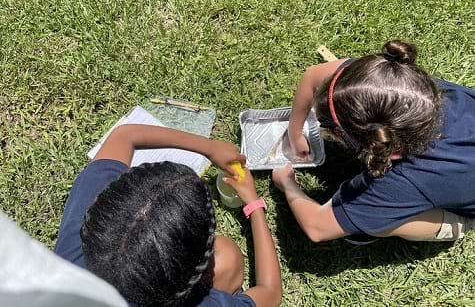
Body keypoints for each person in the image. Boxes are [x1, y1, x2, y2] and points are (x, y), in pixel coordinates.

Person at [54, 124, 281, 307]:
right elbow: (269, 293)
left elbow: (125, 135)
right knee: (228, 258)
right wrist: (254, 204)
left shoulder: (78, 239)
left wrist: (210, 148)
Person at [272, 40, 475, 243]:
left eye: (327, 126)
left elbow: (317, 228)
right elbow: (313, 75)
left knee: (377, 226)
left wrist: (288, 184)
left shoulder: (406, 179)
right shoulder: (410, 91)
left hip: (463, 209)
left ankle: (446, 224)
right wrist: (294, 132)